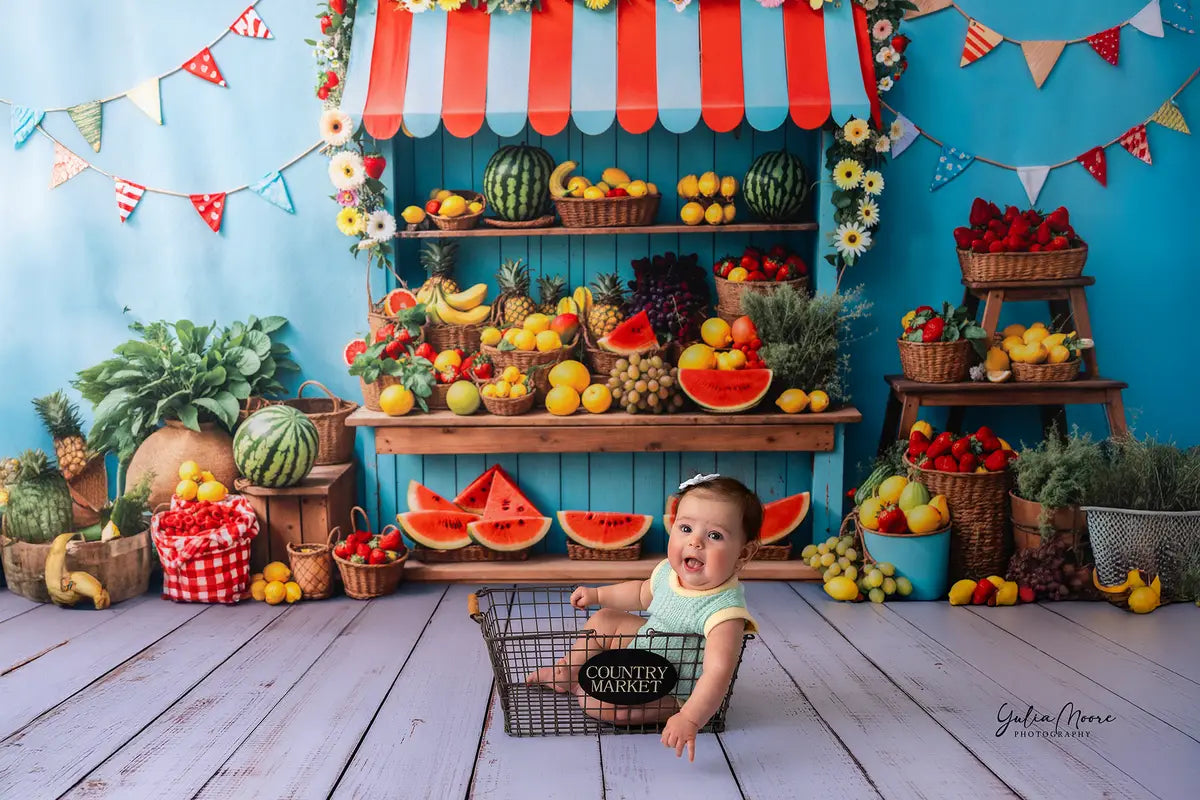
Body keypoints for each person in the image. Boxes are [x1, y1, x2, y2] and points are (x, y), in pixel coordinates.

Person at [526, 473, 760, 762]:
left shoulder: (725, 610)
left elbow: (717, 672)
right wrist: (599, 596)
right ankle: (568, 671)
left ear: (743, 554)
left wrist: (690, 717)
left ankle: (654, 704)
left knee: (603, 705)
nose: (695, 542)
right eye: (685, 528)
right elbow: (639, 594)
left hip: (677, 686)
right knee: (604, 619)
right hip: (645, 648)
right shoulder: (668, 572)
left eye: (714, 535)